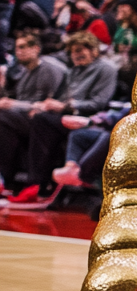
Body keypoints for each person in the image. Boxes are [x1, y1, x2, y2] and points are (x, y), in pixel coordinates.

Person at [1, 31, 117, 206]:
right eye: (72, 51)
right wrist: (47, 105)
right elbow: (60, 98)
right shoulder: (73, 71)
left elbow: (99, 102)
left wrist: (65, 106)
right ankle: (17, 181)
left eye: (80, 50)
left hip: (87, 118)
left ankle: (39, 185)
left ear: (93, 50)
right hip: (65, 115)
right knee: (34, 118)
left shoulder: (106, 69)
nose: (76, 55)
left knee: (41, 121)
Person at [0, 32, 68, 194]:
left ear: (36, 48)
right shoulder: (25, 72)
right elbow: (21, 101)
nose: (19, 52)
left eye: (23, 47)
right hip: (26, 117)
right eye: (17, 48)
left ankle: (6, 178)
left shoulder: (51, 69)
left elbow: (51, 103)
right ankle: (6, 178)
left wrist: (14, 104)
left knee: (2, 117)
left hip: (47, 119)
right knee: (4, 124)